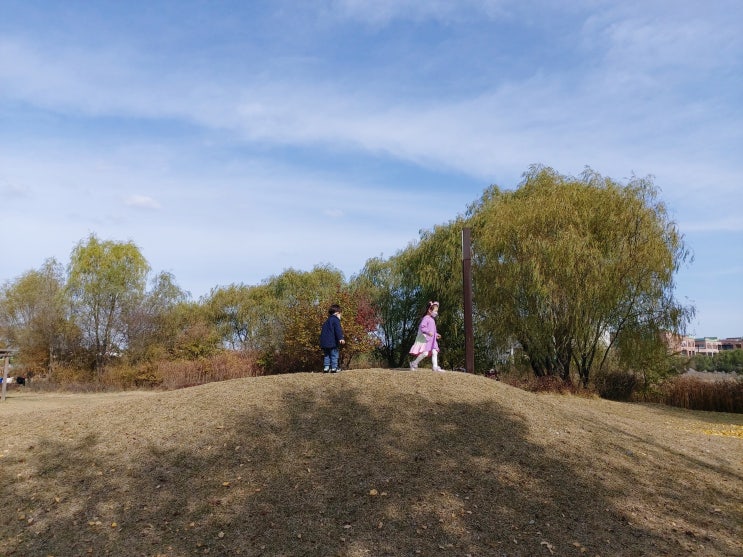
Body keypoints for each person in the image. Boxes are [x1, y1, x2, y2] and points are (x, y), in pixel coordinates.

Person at [409, 301, 444, 371]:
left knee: (435, 352)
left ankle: (435, 367)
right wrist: (428, 332)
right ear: (429, 310)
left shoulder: (432, 319)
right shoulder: (426, 318)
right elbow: (423, 327)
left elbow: (433, 330)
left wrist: (436, 334)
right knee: (425, 353)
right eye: (435, 311)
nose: (436, 313)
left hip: (433, 340)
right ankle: (414, 363)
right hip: (427, 340)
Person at [320, 304, 345, 373]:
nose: (341, 316)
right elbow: (338, 330)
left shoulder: (326, 321)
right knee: (334, 354)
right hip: (332, 342)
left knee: (327, 355)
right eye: (340, 314)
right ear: (337, 313)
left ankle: (326, 368)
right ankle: (334, 368)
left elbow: (323, 332)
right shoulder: (336, 320)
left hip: (324, 342)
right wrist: (341, 338)